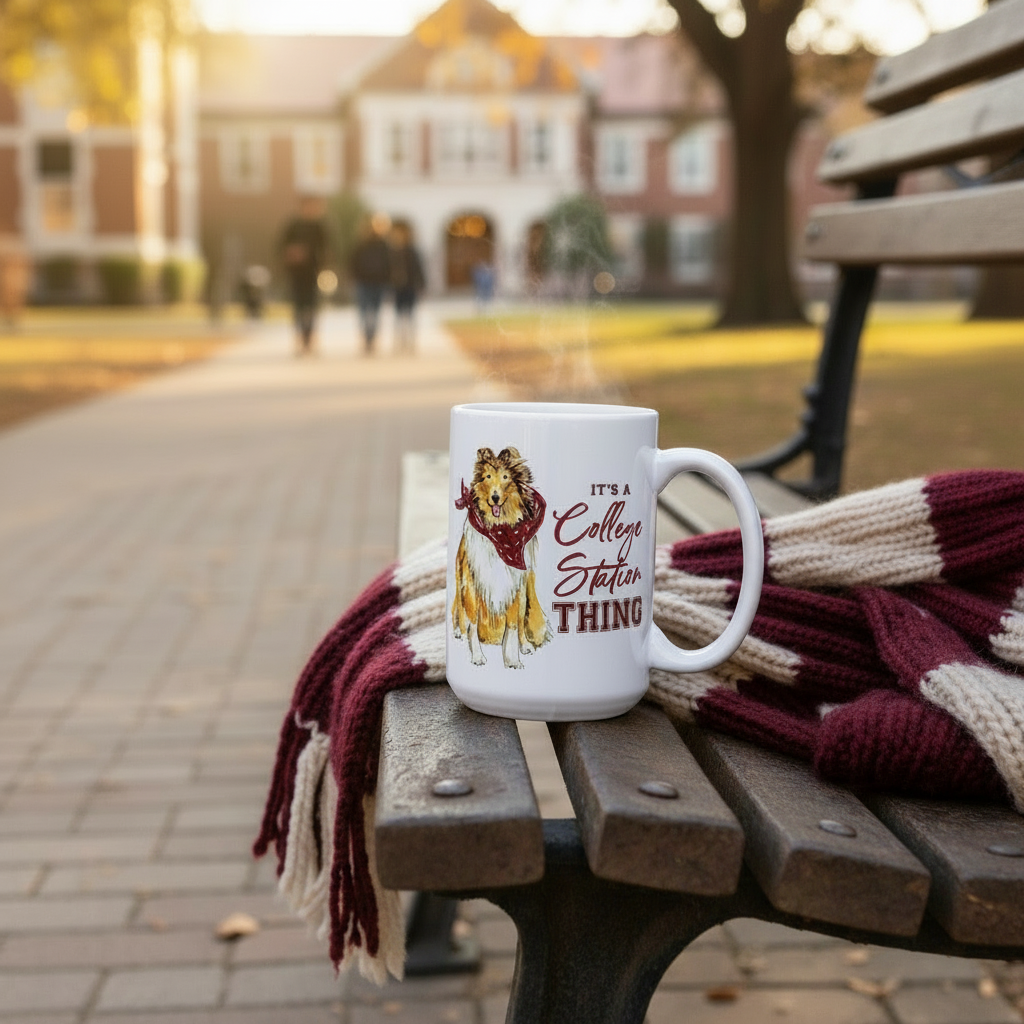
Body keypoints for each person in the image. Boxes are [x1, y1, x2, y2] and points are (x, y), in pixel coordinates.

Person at [280, 196, 329, 355]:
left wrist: (322, 264)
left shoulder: (319, 227)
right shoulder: (293, 226)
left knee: (312, 307)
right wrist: (293, 255)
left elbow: (326, 250)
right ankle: (300, 338)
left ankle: (310, 338)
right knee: (298, 307)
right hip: (296, 274)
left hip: (313, 273)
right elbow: (281, 247)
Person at [349, 213, 392, 354]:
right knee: (373, 311)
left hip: (368, 282)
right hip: (372, 282)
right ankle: (370, 338)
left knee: (366, 311)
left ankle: (369, 338)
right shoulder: (382, 245)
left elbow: (353, 262)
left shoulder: (362, 244)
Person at [389, 222, 425, 354]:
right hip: (397, 287)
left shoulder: (412, 251)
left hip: (410, 286)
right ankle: (400, 340)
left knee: (410, 315)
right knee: (398, 316)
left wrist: (421, 284)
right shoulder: (392, 252)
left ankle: (411, 340)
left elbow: (419, 268)